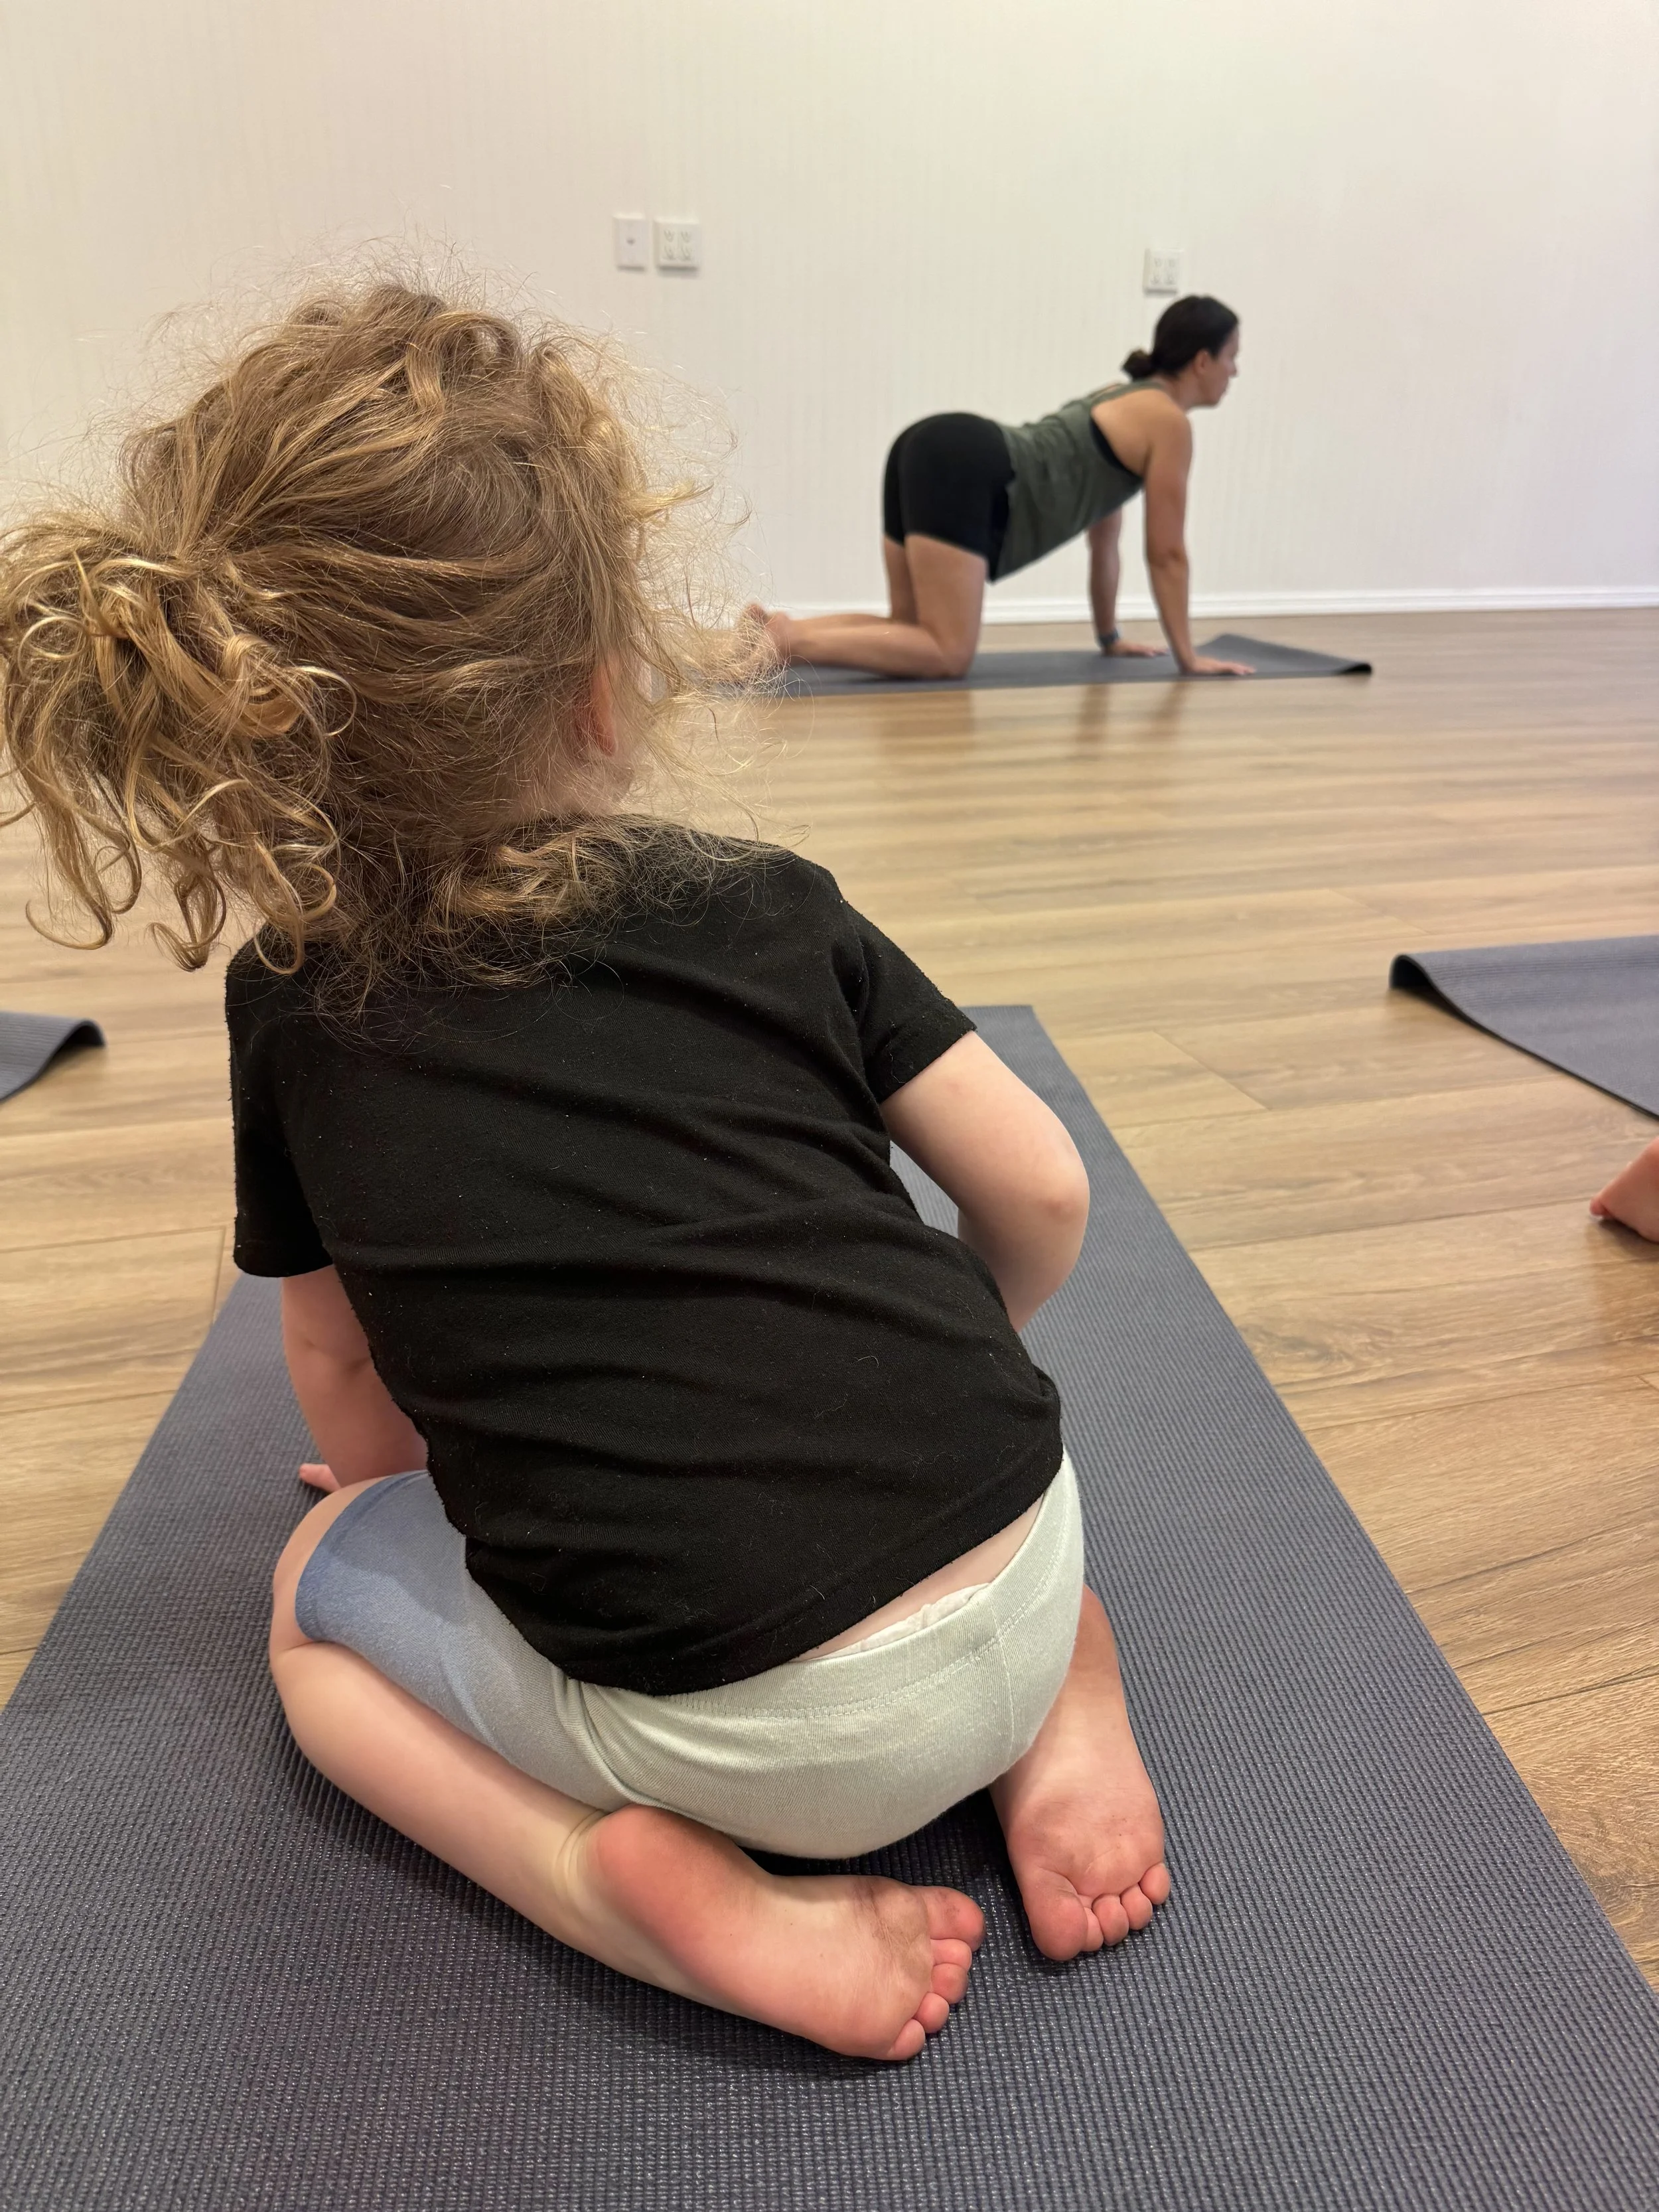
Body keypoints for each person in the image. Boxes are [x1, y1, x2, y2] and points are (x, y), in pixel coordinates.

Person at [0, 279, 1169, 2065]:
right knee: (984, 1532)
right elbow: (1048, 1195)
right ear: (609, 679)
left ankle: (617, 1884)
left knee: (316, 1608)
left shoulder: (297, 1003)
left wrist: (409, 1481)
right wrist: (952, 1335)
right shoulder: (765, 897)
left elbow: (345, 1379)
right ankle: (1055, 1687)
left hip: (733, 1736)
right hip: (1015, 1534)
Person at [755, 294, 1252, 681]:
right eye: (1233, 357)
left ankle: (770, 631)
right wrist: (1188, 657)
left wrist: (1109, 637)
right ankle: (788, 641)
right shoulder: (1169, 424)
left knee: (909, 629)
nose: (1236, 371)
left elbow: (1105, 540)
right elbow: (1167, 553)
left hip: (927, 445)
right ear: (1202, 361)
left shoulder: (1121, 396)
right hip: (968, 463)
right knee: (948, 653)